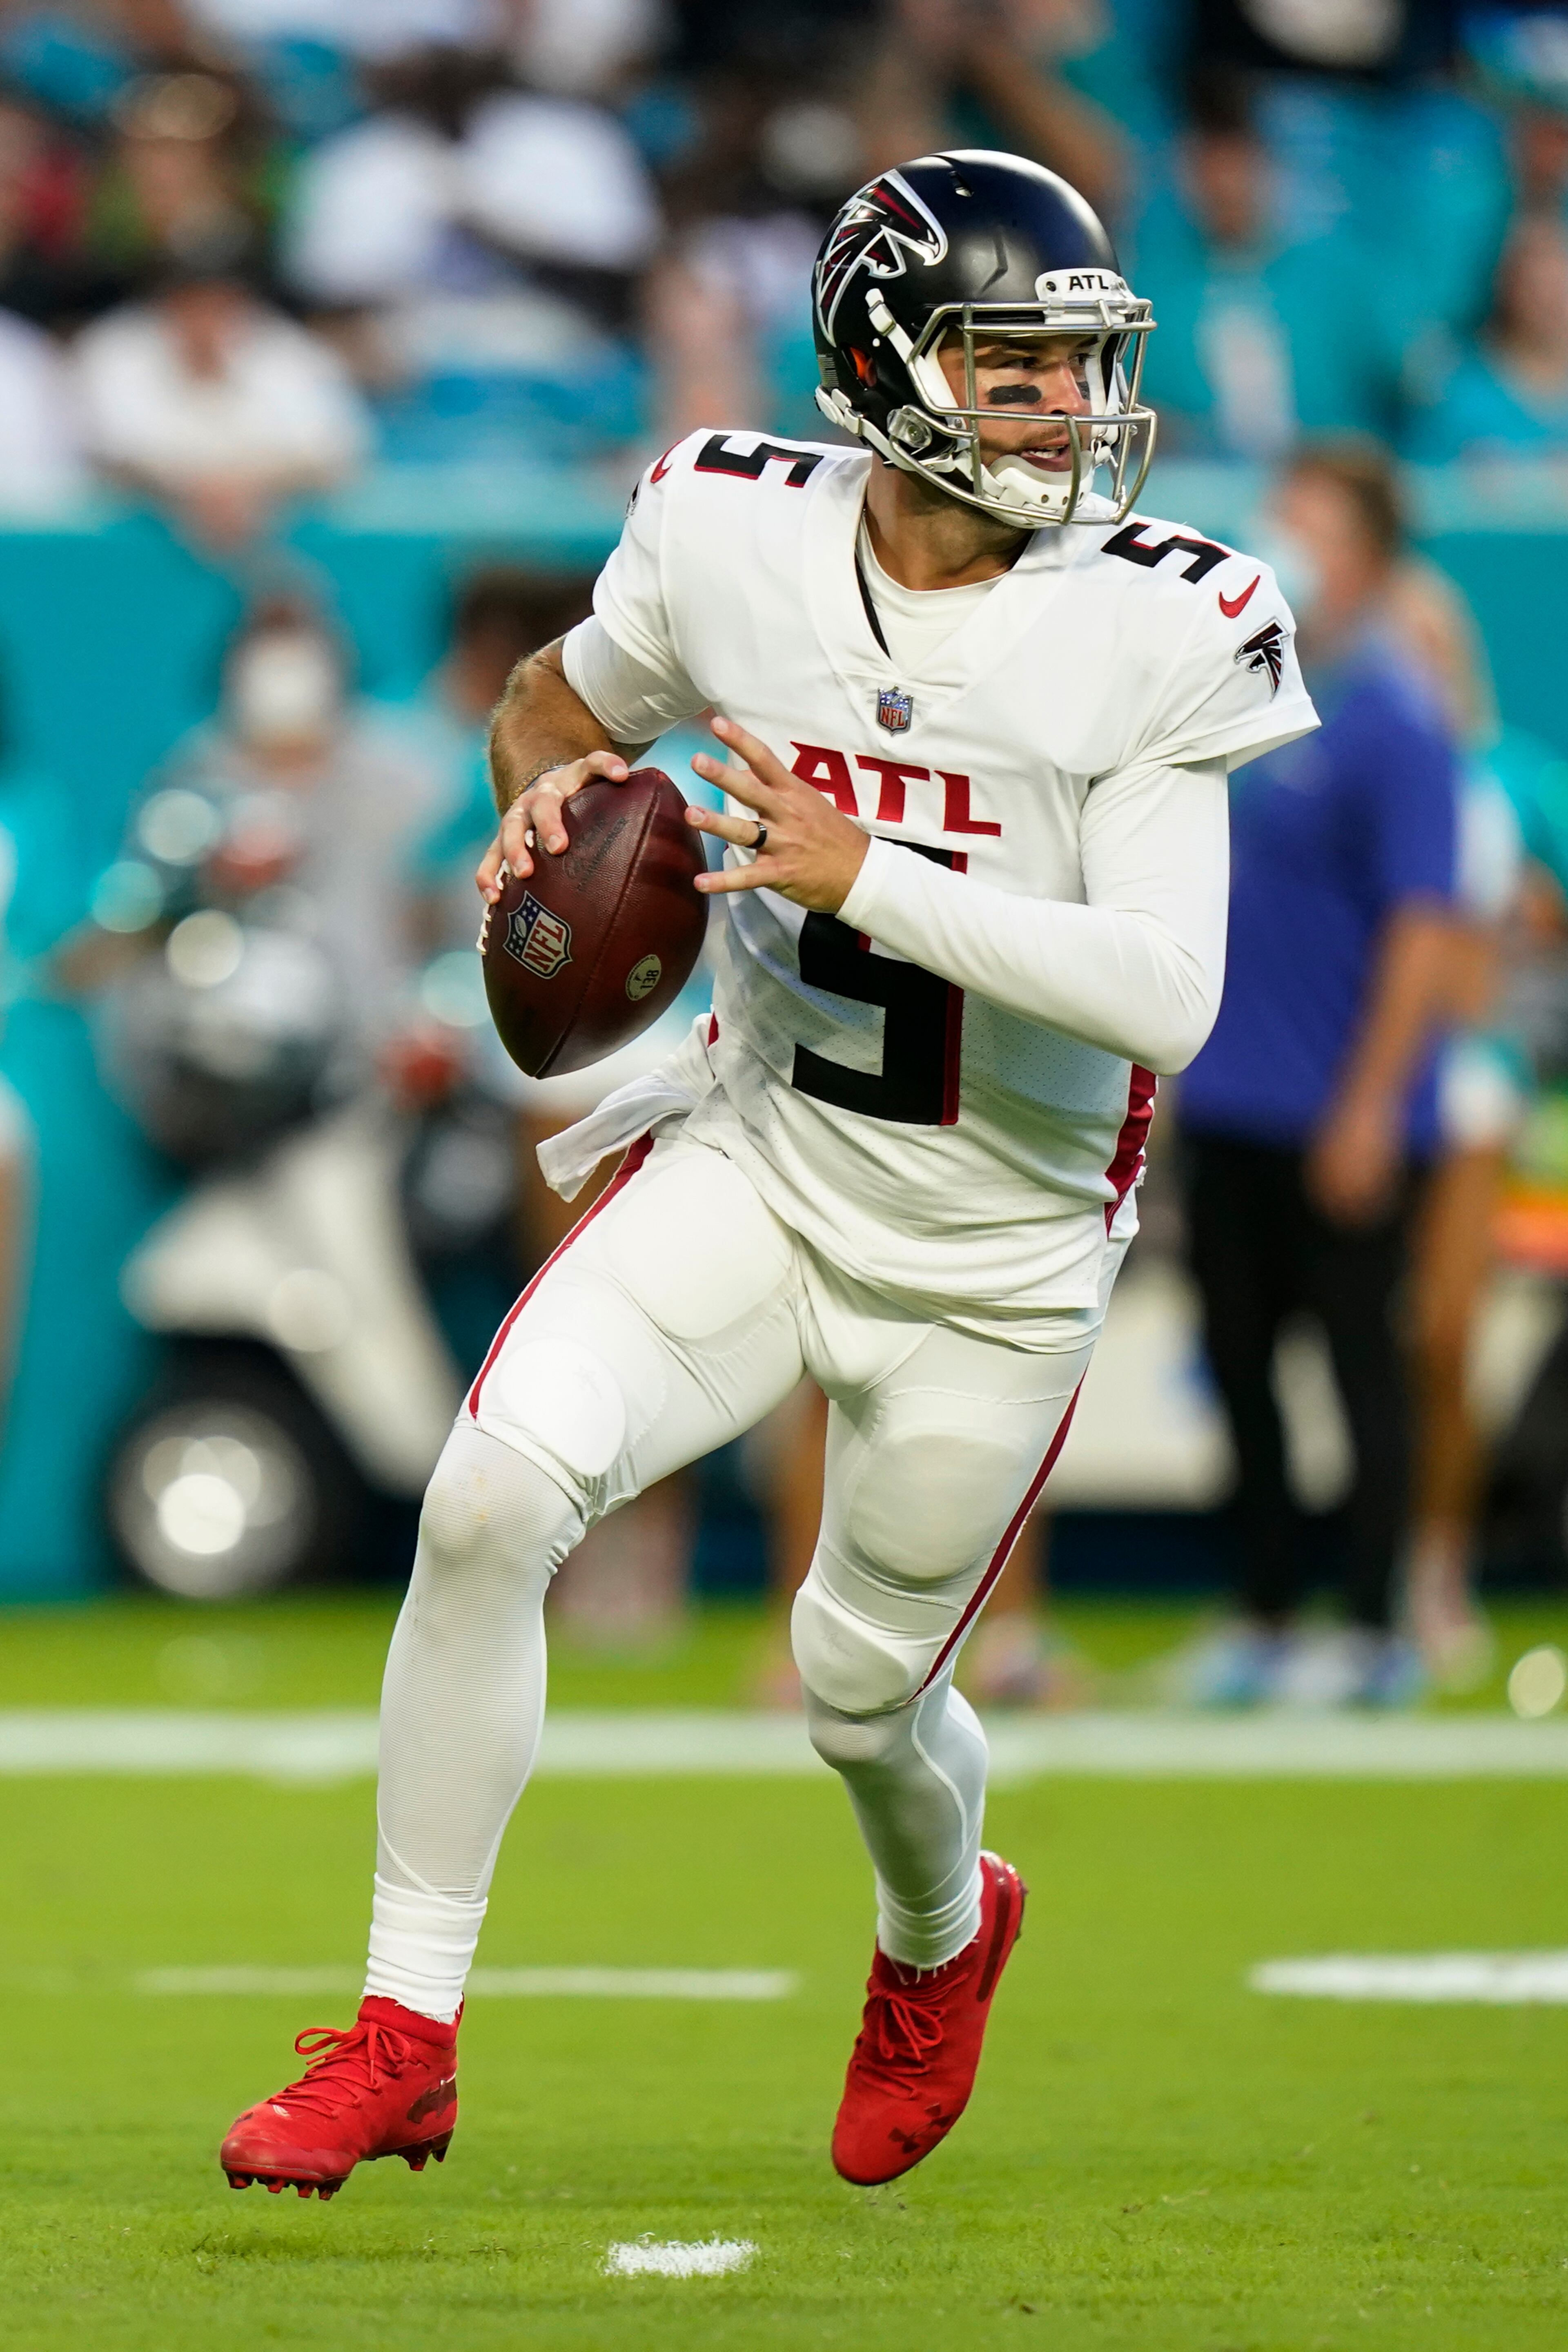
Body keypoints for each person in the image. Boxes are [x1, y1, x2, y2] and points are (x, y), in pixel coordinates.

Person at [219, 149, 1315, 2199]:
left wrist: (861, 869)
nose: (1067, 409)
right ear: (884, 367)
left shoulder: (1162, 618)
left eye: (1078, 366)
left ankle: (940, 1930)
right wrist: (543, 804)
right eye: (1012, 366)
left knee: (854, 1694)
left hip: (998, 1246)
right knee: (486, 1502)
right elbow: (552, 701)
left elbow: (1168, 994)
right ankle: (402, 2030)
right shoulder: (730, 525)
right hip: (758, 1150)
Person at [1176, 443, 1460, 1710]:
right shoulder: (1228, 700)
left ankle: (1376, 1623)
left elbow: (1423, 926)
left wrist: (1369, 1103)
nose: (1285, 544)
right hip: (1225, 1097)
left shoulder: (1397, 717)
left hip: (1339, 1107)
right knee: (1237, 1366)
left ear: (1371, 560)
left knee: (1359, 1366)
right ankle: (1265, 1613)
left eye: (1315, 526)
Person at [71, 250, 370, 549]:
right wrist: (193, 488)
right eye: (190, 301)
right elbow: (110, 451)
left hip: (269, 531)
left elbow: (336, 449)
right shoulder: (114, 352)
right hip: (128, 547)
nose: (205, 317)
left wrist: (251, 486)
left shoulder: (289, 353)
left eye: (220, 302)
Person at [1403, 210, 1568, 464]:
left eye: (1559, 283)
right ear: (1505, 286)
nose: (1549, 301)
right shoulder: (1454, 396)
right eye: (1535, 286)